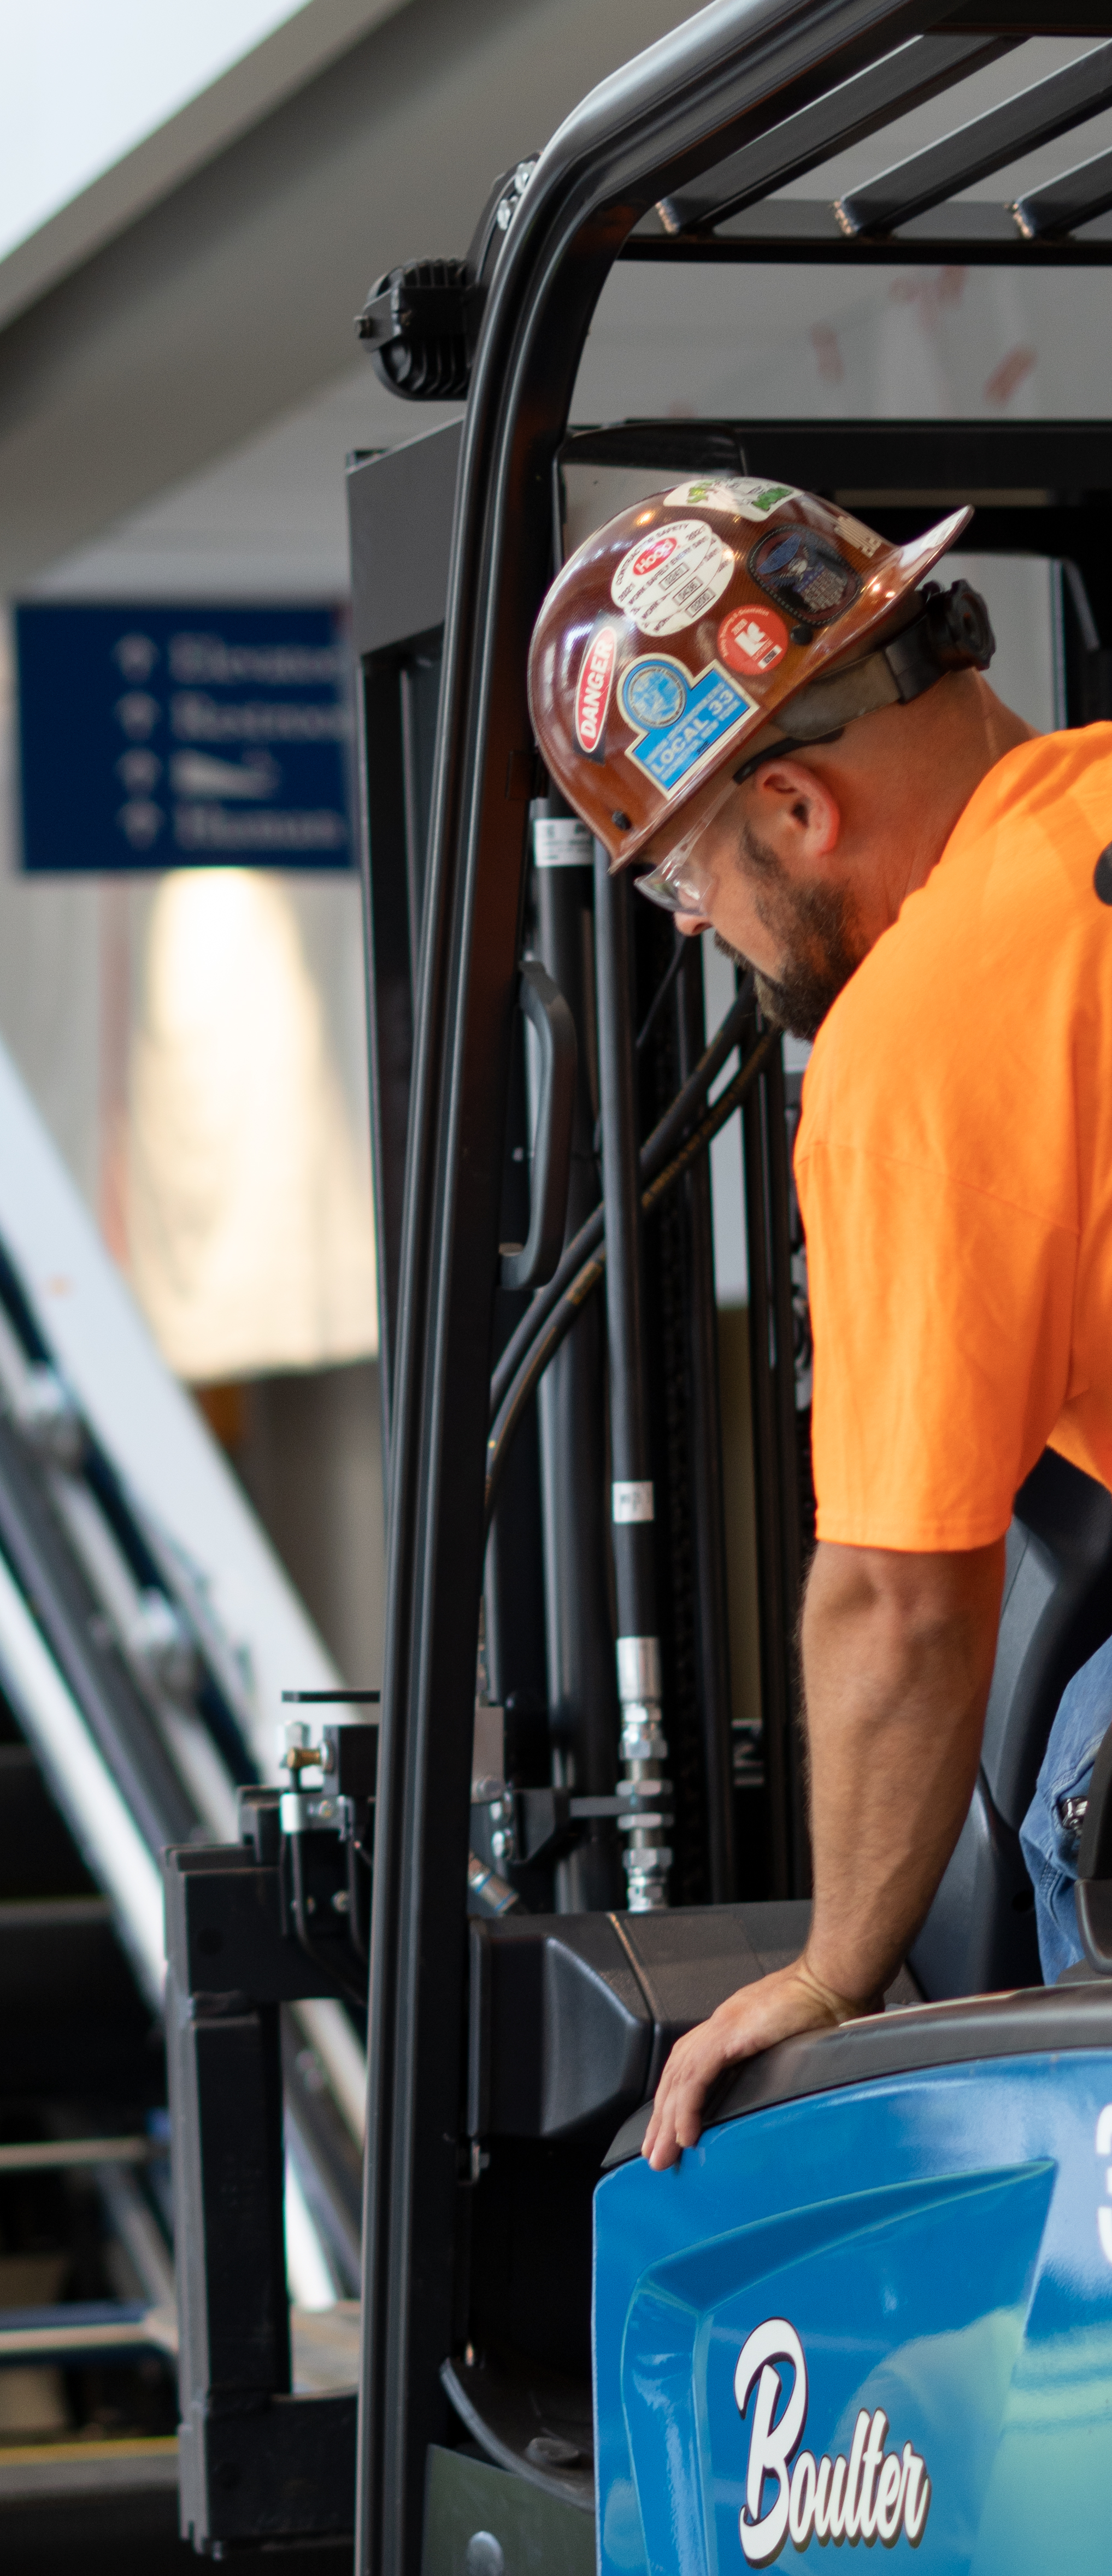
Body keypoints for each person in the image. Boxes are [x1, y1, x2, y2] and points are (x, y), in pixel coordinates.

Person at [526, 478, 1112, 2166]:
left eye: (681, 881)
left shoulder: (926, 1028)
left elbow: (902, 1597)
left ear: (792, 808)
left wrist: (837, 1974)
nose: (695, 928)